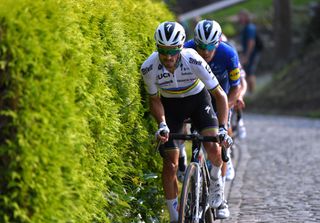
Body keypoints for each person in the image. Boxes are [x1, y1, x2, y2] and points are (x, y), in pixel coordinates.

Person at [140, 21, 233, 223]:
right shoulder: (148, 67)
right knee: (171, 164)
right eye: (163, 50)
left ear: (181, 47)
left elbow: (220, 96)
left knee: (213, 146)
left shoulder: (194, 59)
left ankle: (216, 179)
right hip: (171, 107)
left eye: (173, 51)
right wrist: (162, 124)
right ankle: (175, 217)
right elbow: (154, 100)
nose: (168, 57)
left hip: (198, 102)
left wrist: (223, 127)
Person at [182, 20, 242, 219]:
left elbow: (236, 87)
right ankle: (187, 164)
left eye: (210, 47)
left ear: (218, 42)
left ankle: (220, 195)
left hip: (221, 98)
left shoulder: (228, 54)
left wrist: (228, 107)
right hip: (196, 99)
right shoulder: (187, 50)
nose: (205, 51)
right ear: (195, 42)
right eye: (201, 46)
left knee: (217, 143)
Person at [238, 9, 261, 94]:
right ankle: (250, 92)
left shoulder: (250, 27)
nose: (239, 18)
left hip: (252, 53)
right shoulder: (246, 27)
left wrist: (247, 56)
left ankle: (252, 93)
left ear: (246, 17)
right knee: (247, 72)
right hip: (248, 53)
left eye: (241, 16)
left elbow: (251, 42)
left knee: (250, 72)